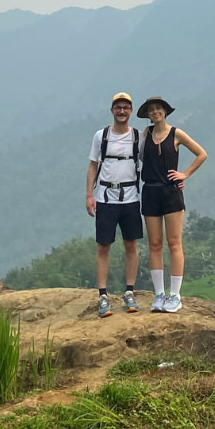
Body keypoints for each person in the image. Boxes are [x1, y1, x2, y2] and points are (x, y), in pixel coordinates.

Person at [137, 96, 207, 313]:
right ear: (148, 114)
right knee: (155, 244)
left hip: (171, 192)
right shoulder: (145, 135)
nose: (155, 112)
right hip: (150, 191)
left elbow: (201, 154)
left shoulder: (176, 133)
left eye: (159, 108)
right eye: (151, 109)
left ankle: (175, 294)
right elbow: (138, 157)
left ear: (165, 112)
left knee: (174, 243)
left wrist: (184, 174)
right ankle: (159, 294)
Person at [86, 92, 143, 318]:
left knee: (131, 244)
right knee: (103, 246)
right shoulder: (102, 136)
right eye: (118, 107)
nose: (121, 111)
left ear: (130, 111)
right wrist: (89, 195)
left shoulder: (138, 137)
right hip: (105, 197)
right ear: (112, 110)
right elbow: (92, 166)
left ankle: (129, 291)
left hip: (130, 197)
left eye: (125, 107)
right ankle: (103, 295)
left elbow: (152, 162)